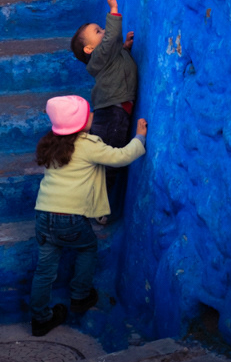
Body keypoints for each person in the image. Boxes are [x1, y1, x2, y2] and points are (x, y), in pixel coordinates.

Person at [30, 94, 147, 336]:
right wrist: (140, 137)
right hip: (70, 219)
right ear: (80, 123)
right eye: (89, 113)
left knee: (44, 271)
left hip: (43, 216)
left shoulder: (51, 143)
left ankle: (40, 319)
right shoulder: (88, 144)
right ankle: (80, 296)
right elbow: (120, 157)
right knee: (87, 248)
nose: (94, 114)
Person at [70, 0, 137, 223]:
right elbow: (110, 43)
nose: (104, 32)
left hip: (112, 114)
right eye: (98, 32)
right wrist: (113, 10)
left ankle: (91, 200)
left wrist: (125, 48)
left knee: (106, 162)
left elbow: (114, 56)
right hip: (111, 116)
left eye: (101, 28)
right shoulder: (98, 58)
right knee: (109, 163)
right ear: (89, 50)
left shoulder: (107, 56)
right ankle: (97, 207)